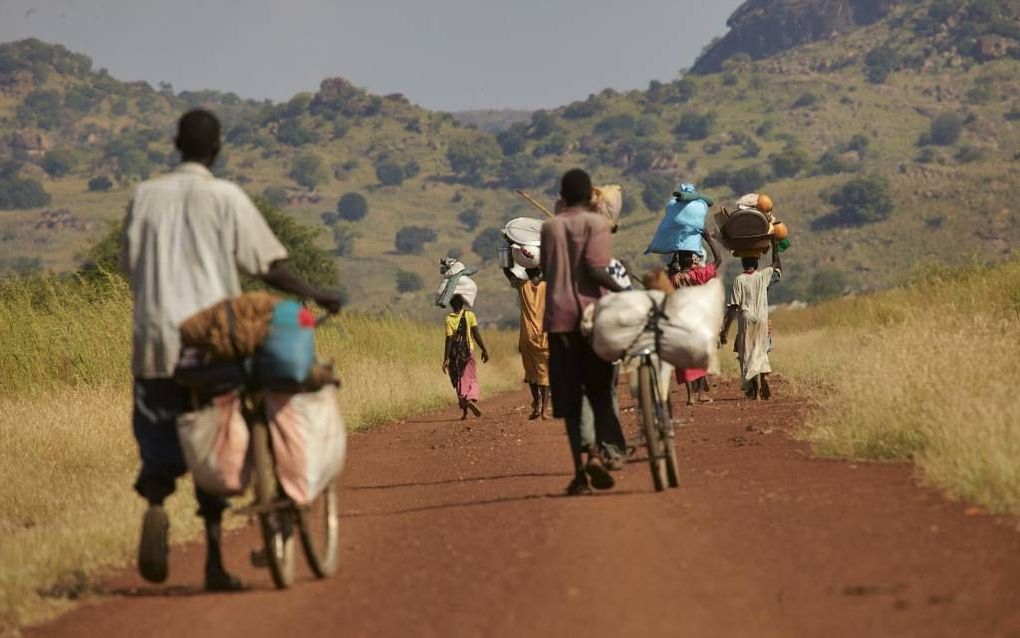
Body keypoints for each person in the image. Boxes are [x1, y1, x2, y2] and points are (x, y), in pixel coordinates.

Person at [121, 109, 343, 591]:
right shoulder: (225, 197)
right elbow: (269, 266)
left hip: (156, 341)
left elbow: (130, 265)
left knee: (160, 433)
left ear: (176, 144)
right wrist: (317, 292)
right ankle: (215, 559)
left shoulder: (145, 197)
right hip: (212, 343)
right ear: (217, 148)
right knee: (217, 433)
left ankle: (157, 503)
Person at [540, 169, 628, 496]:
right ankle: (607, 451)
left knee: (571, 401)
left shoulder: (549, 227)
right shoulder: (597, 225)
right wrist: (624, 291)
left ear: (562, 195)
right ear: (591, 196)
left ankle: (581, 471)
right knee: (600, 390)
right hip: (592, 320)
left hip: (559, 322)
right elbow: (595, 268)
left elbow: (548, 271)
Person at [719, 240, 782, 400]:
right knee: (761, 349)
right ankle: (765, 377)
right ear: (756, 263)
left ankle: (753, 386)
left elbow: (733, 307)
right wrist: (775, 244)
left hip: (746, 319)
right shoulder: (763, 275)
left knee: (747, 352)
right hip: (762, 318)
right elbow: (776, 265)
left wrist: (725, 330)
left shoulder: (739, 280)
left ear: (742, 263)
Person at [670, 229, 723, 405]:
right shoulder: (699, 274)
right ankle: (701, 393)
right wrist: (708, 239)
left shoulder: (674, 279)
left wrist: (674, 255)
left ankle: (690, 396)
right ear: (692, 260)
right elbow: (718, 260)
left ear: (679, 260)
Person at [503, 267, 550, 419]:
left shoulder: (523, 286)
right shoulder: (547, 287)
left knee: (531, 373)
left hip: (527, 337)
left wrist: (507, 258)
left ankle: (536, 404)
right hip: (544, 338)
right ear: (540, 274)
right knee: (545, 373)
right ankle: (544, 411)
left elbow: (508, 273)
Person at [442, 294, 490, 419]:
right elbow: (476, 335)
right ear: (463, 303)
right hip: (469, 351)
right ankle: (469, 399)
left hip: (455, 355)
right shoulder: (470, 315)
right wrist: (484, 350)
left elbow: (449, 340)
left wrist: (446, 359)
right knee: (471, 379)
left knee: (459, 380)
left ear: (451, 305)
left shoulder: (448, 319)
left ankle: (464, 412)